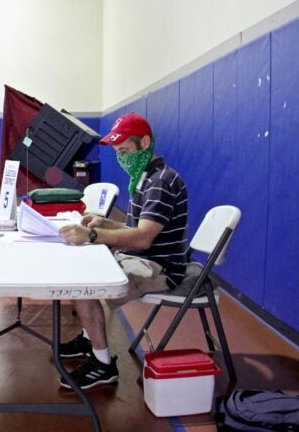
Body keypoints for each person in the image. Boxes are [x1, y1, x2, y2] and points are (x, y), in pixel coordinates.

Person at [58, 113, 188, 390]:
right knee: (80, 271)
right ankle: (88, 337)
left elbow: (142, 239)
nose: (123, 158)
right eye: (118, 153)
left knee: (84, 284)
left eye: (126, 151)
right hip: (147, 257)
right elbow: (137, 228)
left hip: (159, 268)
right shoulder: (146, 177)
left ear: (145, 142)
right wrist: (106, 223)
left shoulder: (160, 183)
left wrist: (93, 235)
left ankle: (103, 365)